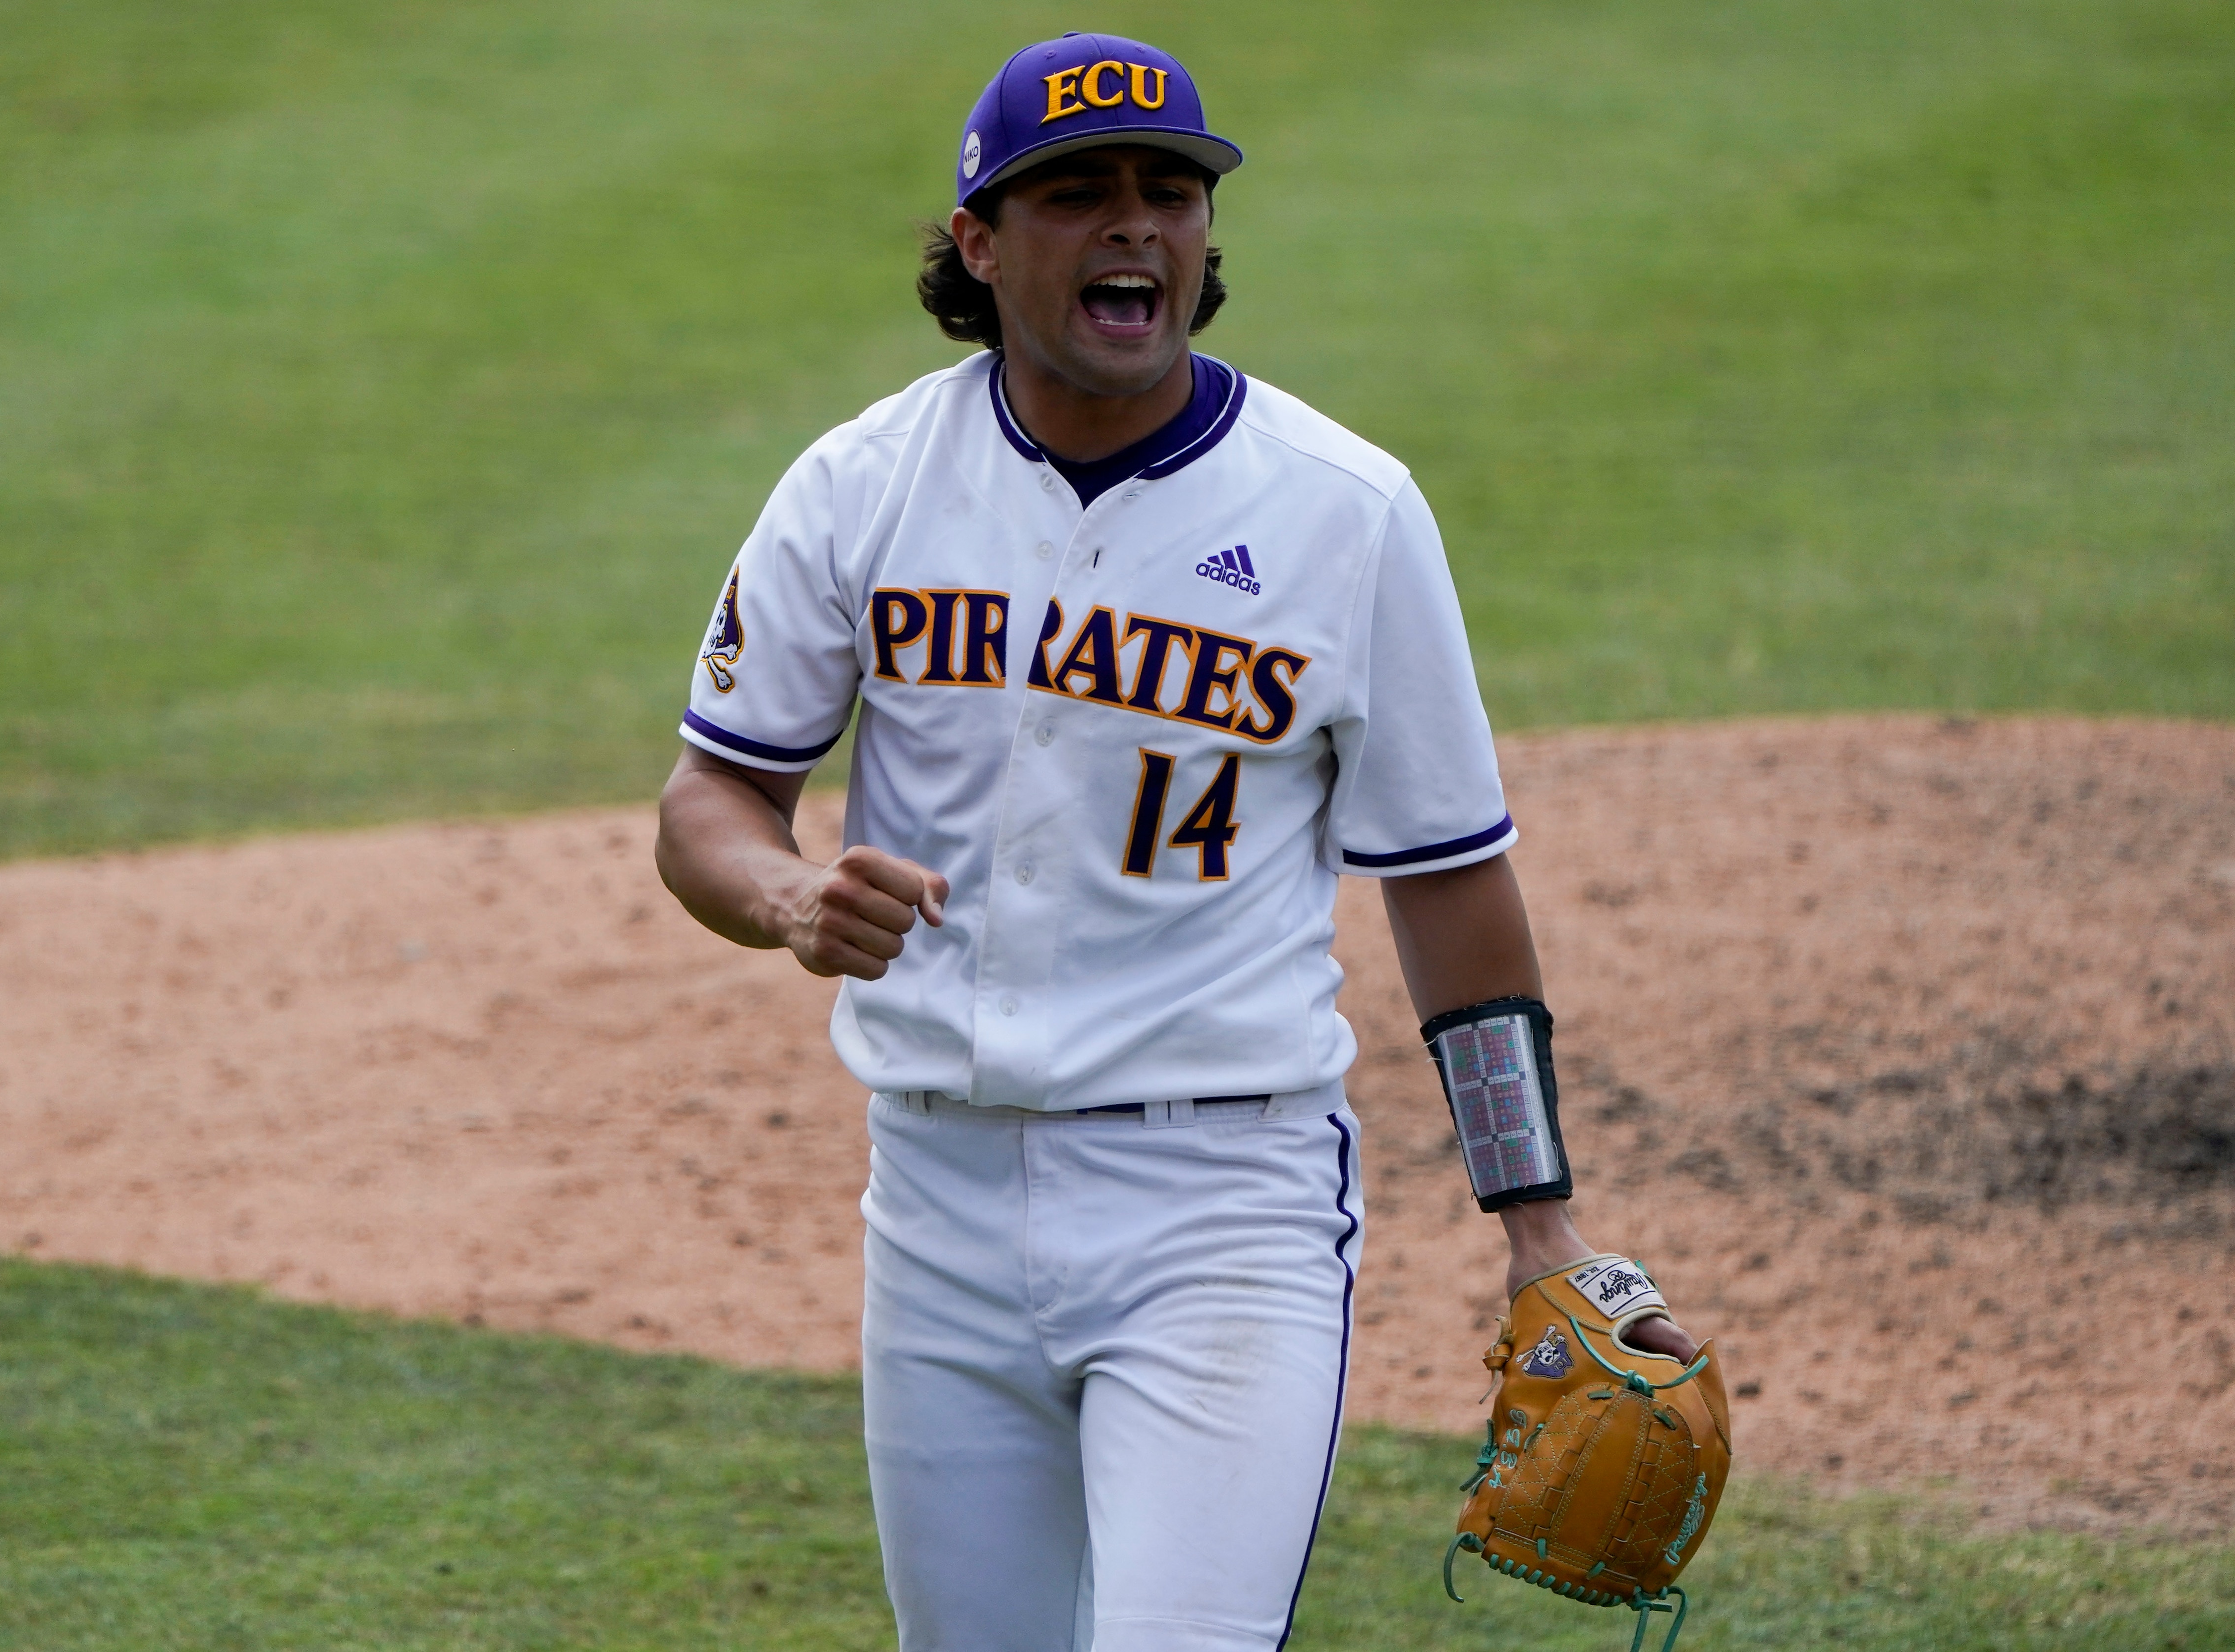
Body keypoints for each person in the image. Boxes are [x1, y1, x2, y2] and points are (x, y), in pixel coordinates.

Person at [654, 32, 1698, 1652]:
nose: (1136, 225)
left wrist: (1538, 1219)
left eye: (1171, 191)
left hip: (1223, 1204)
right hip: (934, 1192)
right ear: (982, 246)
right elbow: (710, 799)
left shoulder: (1343, 512)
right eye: (1076, 194)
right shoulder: (862, 487)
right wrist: (789, 898)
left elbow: (1448, 879)